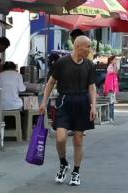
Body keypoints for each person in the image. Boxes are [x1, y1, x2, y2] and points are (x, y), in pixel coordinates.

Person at [39, 36, 97, 187]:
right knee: (60, 138)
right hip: (64, 102)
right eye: (88, 47)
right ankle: (63, 163)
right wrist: (44, 102)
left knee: (78, 139)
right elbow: (51, 83)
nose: (90, 50)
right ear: (78, 47)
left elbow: (92, 87)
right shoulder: (62, 62)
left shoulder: (89, 65)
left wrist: (93, 106)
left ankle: (76, 172)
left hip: (82, 103)